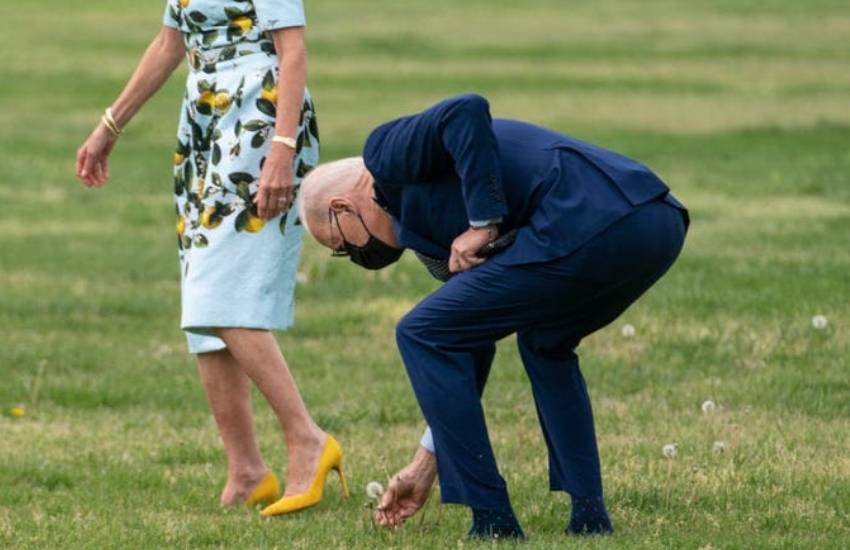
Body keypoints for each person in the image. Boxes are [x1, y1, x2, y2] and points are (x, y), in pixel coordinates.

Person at [297, 94, 689, 539]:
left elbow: (465, 109)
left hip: (592, 217)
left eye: (341, 247)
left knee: (419, 332)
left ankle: (493, 522)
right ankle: (589, 516)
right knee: (545, 344)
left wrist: (483, 222)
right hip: (654, 221)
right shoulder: (431, 242)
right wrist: (426, 464)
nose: (354, 256)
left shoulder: (384, 156)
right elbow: (467, 348)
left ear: (342, 209)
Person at [74, 0, 347, 516]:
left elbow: (293, 51)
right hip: (203, 118)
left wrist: (281, 151)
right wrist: (108, 127)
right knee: (201, 295)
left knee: (216, 292)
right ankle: (246, 470)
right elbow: (169, 44)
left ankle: (307, 440)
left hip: (260, 120)